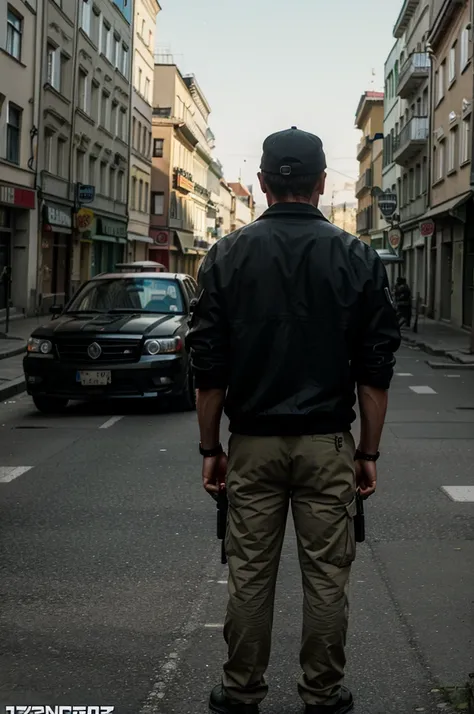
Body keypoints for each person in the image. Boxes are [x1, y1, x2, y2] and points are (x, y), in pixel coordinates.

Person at [186, 127, 401, 714]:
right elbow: (375, 368)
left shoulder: (225, 255)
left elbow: (209, 368)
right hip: (327, 442)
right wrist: (368, 454)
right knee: (328, 575)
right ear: (322, 183)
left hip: (252, 443)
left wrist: (211, 446)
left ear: (260, 184)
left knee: (251, 573)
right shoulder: (357, 256)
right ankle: (323, 693)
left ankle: (240, 691)